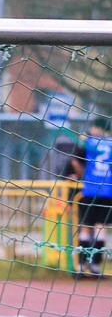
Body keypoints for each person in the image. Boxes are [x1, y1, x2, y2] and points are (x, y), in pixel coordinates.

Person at [67, 116, 112, 278]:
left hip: (90, 190)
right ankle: (95, 267)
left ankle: (81, 266)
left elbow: (74, 161)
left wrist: (83, 176)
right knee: (100, 229)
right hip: (107, 191)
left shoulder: (88, 141)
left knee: (86, 228)